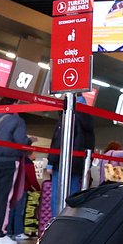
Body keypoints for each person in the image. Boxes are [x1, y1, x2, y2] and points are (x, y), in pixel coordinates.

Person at [0, 110, 32, 244]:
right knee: (6, 197)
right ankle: (0, 234)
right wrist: (29, 141)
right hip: (9, 161)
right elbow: (20, 140)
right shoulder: (17, 120)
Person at [47, 91, 96, 220]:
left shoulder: (69, 114)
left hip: (63, 161)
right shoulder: (87, 116)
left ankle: (55, 226)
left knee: (57, 197)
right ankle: (69, 224)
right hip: (78, 163)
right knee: (73, 197)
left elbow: (59, 139)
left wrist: (51, 162)